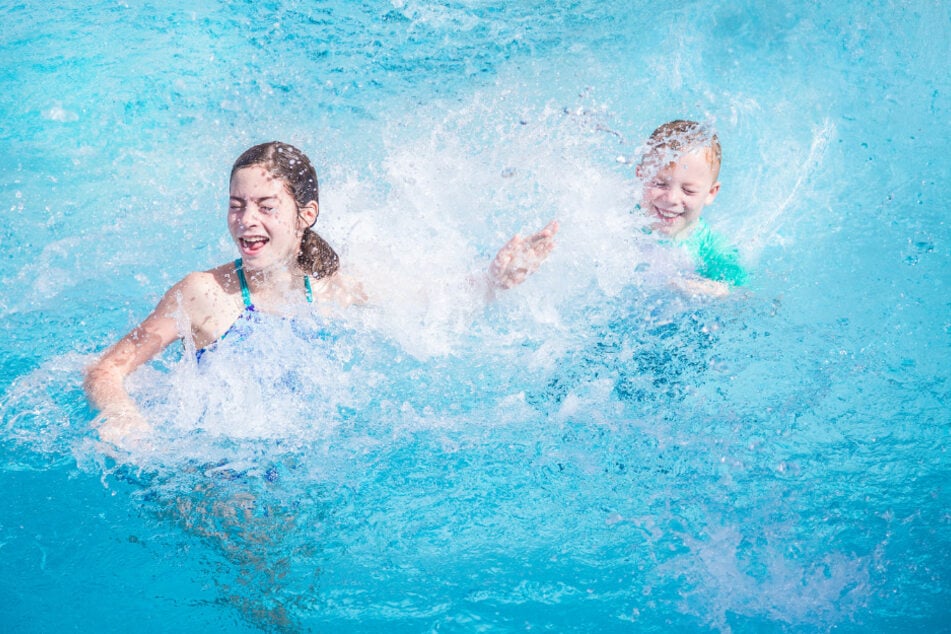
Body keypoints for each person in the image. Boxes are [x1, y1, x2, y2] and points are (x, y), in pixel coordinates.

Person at [84, 141, 558, 447]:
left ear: (305, 214)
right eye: (236, 206)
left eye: (266, 207)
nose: (247, 220)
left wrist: (493, 280)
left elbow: (435, 302)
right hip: (213, 463)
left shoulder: (331, 289)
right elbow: (107, 368)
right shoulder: (203, 293)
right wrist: (123, 414)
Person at [636, 119, 748, 297]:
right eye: (659, 183)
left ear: (711, 193)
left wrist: (713, 291)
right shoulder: (618, 222)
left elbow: (739, 292)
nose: (671, 199)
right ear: (641, 176)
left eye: (688, 190)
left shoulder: (711, 249)